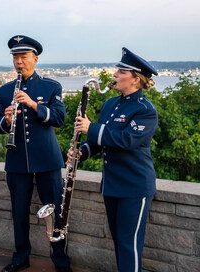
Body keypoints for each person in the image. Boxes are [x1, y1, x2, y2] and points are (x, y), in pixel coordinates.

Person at [69, 47, 158, 271]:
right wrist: (82, 152)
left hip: (134, 186)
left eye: (121, 72)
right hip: (112, 185)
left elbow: (128, 140)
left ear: (135, 79)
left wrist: (91, 127)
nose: (114, 74)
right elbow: (102, 142)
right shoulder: (110, 105)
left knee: (129, 245)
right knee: (119, 242)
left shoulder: (146, 110)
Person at [0, 35, 72, 272]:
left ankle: (60, 260)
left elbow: (59, 118)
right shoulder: (4, 90)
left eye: (23, 57)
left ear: (35, 59)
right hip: (17, 161)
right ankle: (20, 258)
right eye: (15, 57)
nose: (19, 61)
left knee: (56, 211)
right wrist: (6, 121)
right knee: (18, 213)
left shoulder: (51, 86)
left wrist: (34, 105)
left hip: (47, 160)